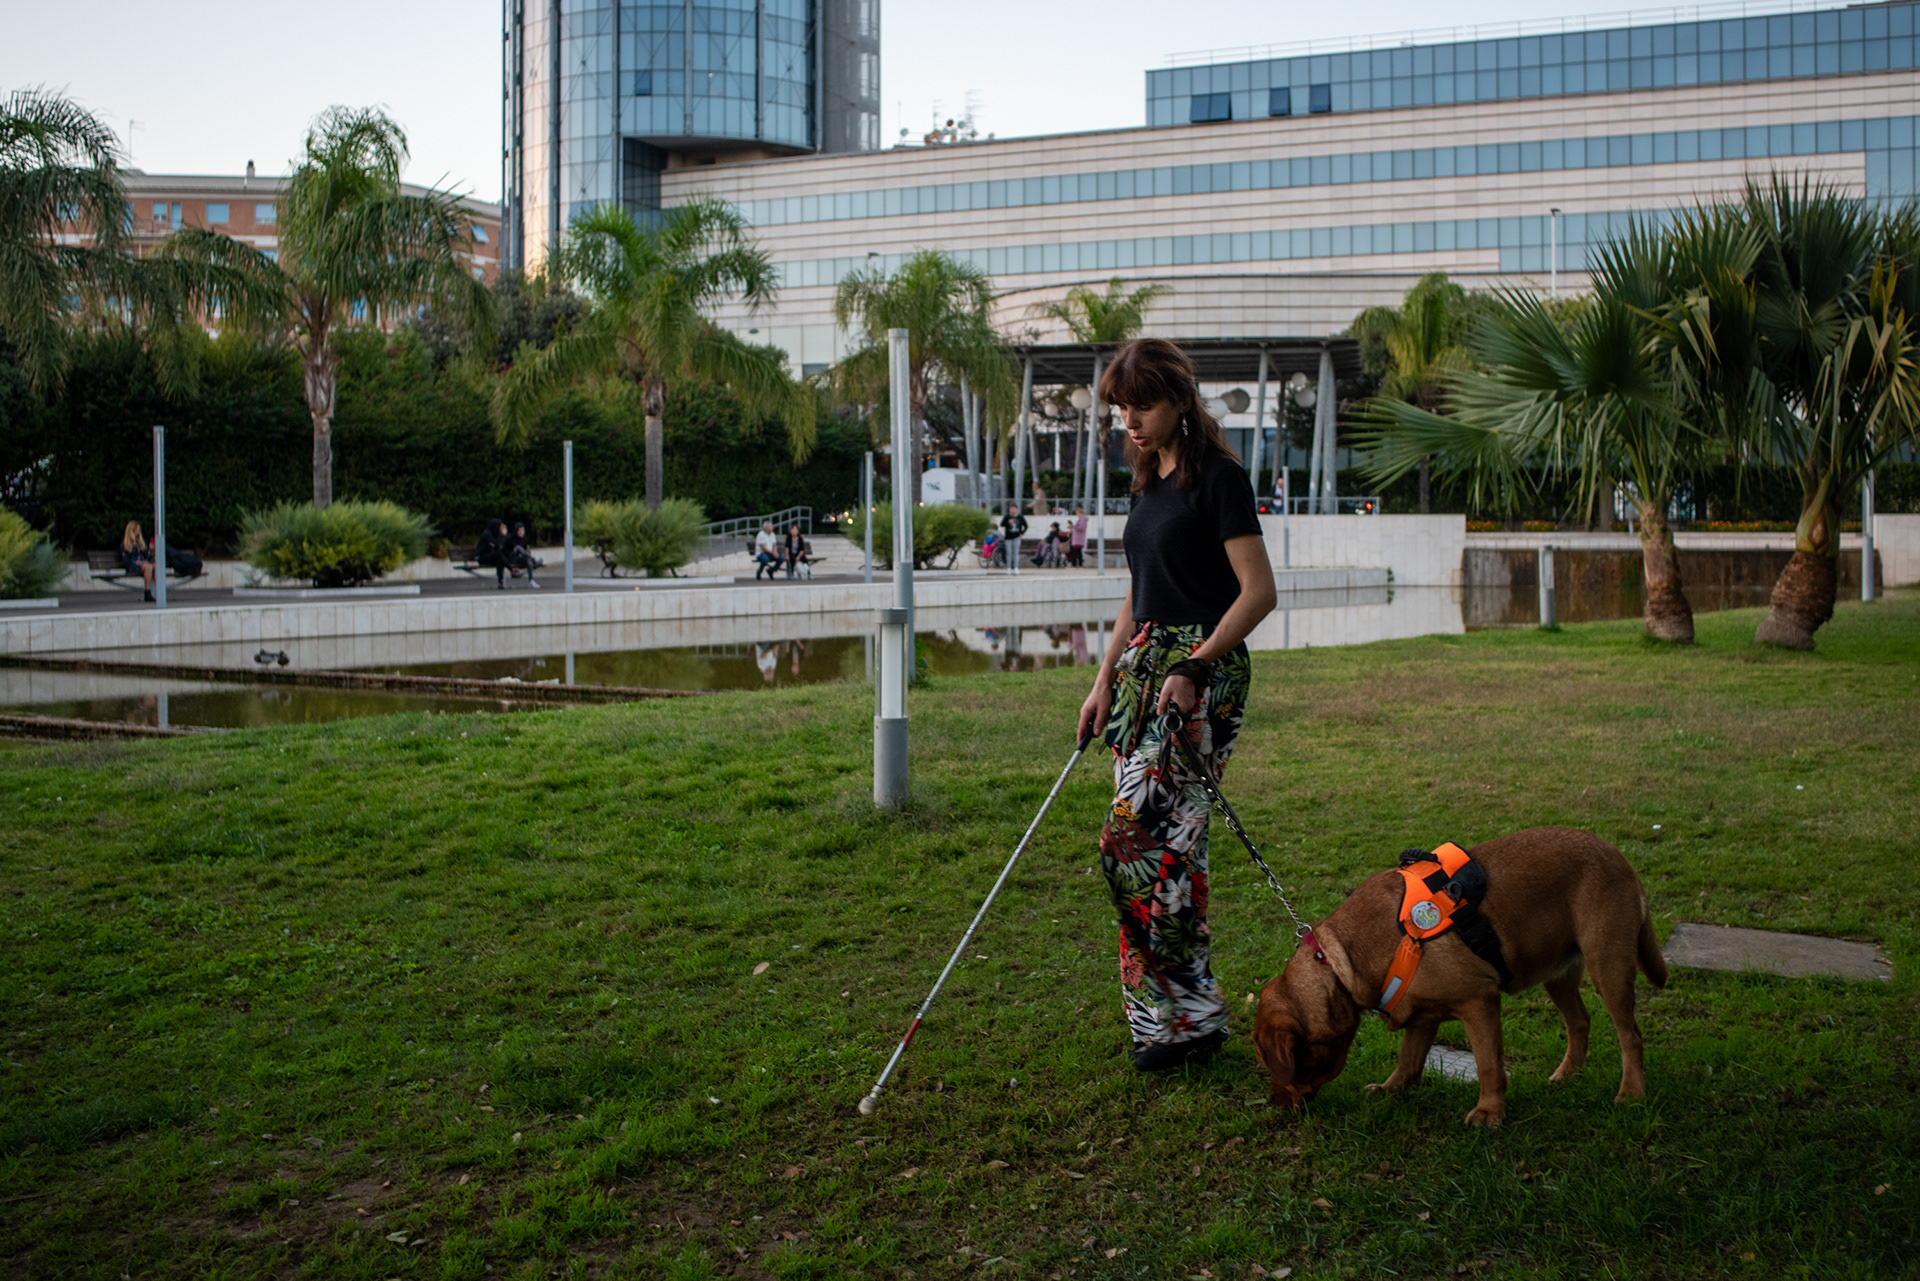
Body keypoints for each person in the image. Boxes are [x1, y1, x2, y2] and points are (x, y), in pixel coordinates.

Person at [1075, 337, 1278, 1074]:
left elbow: (1259, 592)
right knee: (1174, 851)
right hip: (1143, 672)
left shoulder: (1219, 477)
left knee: (1130, 840)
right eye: (1121, 408)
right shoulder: (1147, 482)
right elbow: (1139, 595)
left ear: (1180, 401)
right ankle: (1179, 1021)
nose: (1130, 421)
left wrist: (1196, 664)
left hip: (1201, 672)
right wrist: (1102, 681)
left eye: (1144, 405)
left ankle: (1181, 1013)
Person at [121, 520, 156, 601]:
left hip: (144, 564)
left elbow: (147, 556)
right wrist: (137, 562)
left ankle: (160, 591)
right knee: (148, 567)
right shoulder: (125, 543)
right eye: (137, 529)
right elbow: (126, 560)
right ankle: (147, 592)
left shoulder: (141, 542)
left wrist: (150, 549)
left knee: (155, 566)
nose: (139, 531)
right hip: (133, 565)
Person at [475, 518, 512, 588]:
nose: (502, 529)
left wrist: (504, 536)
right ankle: (512, 569)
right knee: (498, 555)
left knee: (499, 559)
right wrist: (502, 535)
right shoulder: (487, 534)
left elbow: (500, 547)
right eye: (501, 526)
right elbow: (496, 543)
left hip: (491, 556)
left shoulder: (496, 534)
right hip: (482, 557)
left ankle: (500, 581)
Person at [508, 521, 542, 588]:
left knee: (529, 560)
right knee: (518, 548)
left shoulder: (524, 539)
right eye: (519, 530)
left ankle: (531, 581)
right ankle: (534, 560)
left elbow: (524, 551)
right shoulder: (511, 539)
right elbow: (508, 551)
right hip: (512, 558)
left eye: (522, 530)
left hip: (521, 558)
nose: (521, 532)